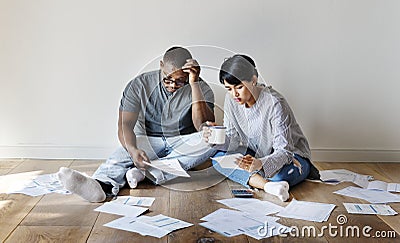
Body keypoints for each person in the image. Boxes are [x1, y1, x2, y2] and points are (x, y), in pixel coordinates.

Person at [58, 47, 217, 202]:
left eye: (180, 81)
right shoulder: (139, 84)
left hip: (182, 142)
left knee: (215, 141)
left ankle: (147, 174)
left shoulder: (201, 88)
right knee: (123, 152)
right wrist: (133, 150)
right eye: (167, 79)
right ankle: (101, 185)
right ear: (161, 65)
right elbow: (124, 125)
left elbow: (201, 126)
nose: (172, 85)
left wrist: (194, 84)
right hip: (147, 140)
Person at [203, 54, 319, 202]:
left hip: (293, 157)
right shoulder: (231, 100)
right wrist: (213, 138)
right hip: (257, 154)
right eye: (229, 89)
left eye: (239, 87)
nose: (234, 94)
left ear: (254, 80)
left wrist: (261, 164)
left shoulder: (275, 103)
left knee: (279, 175)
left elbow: (284, 151)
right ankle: (269, 186)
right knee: (218, 159)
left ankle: (267, 181)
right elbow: (233, 140)